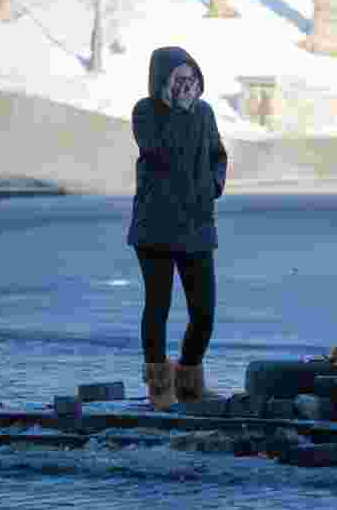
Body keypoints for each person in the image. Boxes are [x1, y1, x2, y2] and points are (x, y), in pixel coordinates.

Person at [126, 46, 228, 411]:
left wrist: (214, 185)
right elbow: (160, 149)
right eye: (179, 80)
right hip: (155, 226)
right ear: (162, 83)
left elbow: (218, 154)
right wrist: (177, 112)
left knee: (204, 313)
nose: (188, 86)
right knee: (159, 306)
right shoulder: (146, 112)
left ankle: (189, 378)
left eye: (192, 78)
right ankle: (159, 387)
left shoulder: (205, 112)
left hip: (197, 225)